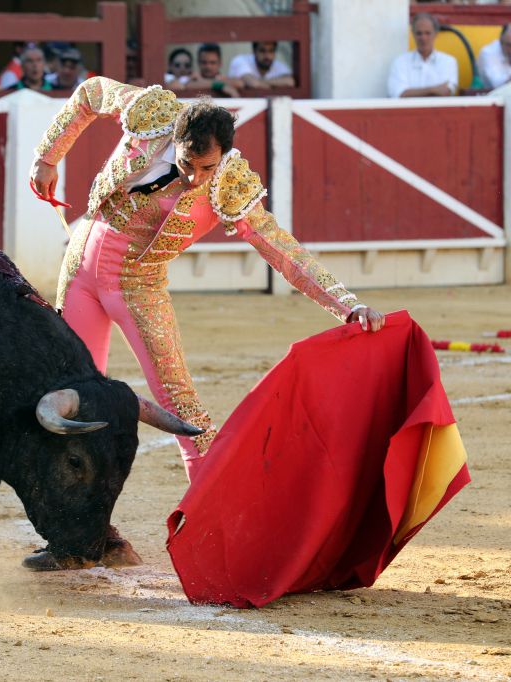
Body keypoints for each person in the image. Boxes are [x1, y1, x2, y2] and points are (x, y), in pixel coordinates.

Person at [26, 78, 385, 569]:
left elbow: (281, 249)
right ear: (175, 137)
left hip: (137, 284)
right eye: (187, 163)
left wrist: (346, 305)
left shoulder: (228, 185)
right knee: (70, 404)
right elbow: (90, 93)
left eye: (207, 167)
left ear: (224, 157)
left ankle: (223, 535)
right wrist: (48, 156)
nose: (195, 177)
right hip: (80, 266)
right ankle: (84, 538)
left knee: (182, 407)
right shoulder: (151, 112)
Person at [388, 13, 458, 98]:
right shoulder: (400, 62)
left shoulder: (448, 62)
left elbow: (446, 92)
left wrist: (412, 93)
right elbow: (399, 94)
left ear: (436, 34)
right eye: (419, 33)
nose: (423, 38)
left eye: (427, 33)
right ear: (413, 34)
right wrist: (433, 90)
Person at [227, 40, 295, 89]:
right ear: (254, 51)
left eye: (271, 51)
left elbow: (290, 82)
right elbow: (254, 84)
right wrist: (276, 84)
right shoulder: (241, 60)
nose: (267, 56)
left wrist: (260, 83)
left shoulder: (279, 65)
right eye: (262, 51)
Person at [478, 24, 511, 90]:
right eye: (509, 45)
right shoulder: (488, 53)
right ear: (501, 40)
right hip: (492, 93)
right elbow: (497, 84)